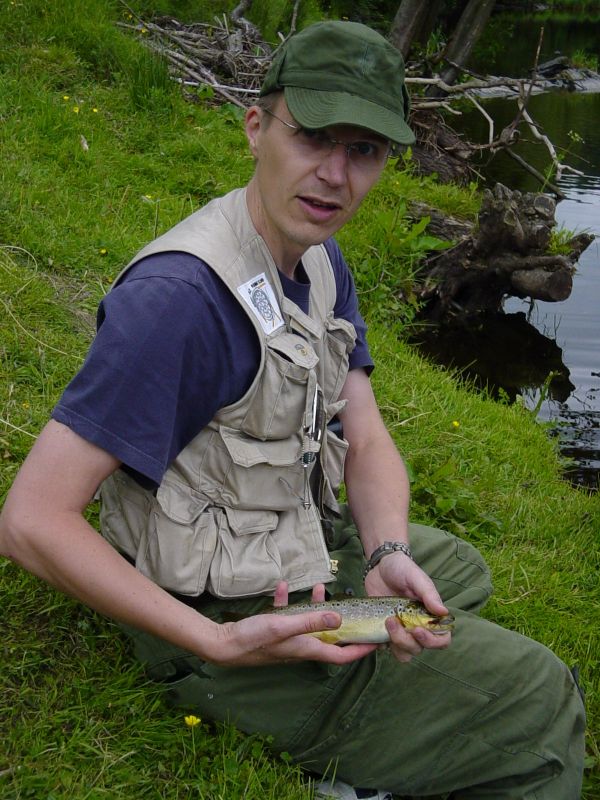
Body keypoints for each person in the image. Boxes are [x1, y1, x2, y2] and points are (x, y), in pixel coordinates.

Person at [0, 19, 585, 800]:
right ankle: (276, 699)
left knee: (450, 572)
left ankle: (377, 705)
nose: (334, 176)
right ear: (256, 127)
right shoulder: (178, 303)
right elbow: (31, 520)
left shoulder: (317, 254)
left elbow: (366, 431)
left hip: (278, 535)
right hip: (202, 608)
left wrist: (381, 557)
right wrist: (222, 640)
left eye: (364, 151)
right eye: (312, 136)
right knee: (539, 700)